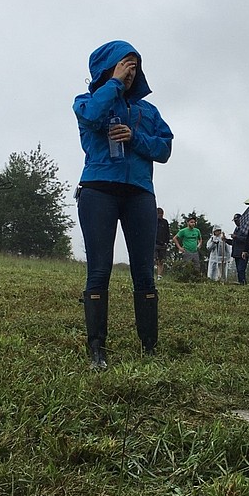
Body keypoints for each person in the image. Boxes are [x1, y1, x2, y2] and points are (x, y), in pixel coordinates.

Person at [73, 40, 173, 370]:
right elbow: (92, 118)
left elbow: (164, 149)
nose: (130, 71)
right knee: (99, 270)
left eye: (134, 65)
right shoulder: (86, 102)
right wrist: (113, 84)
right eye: (123, 64)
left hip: (139, 193)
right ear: (107, 67)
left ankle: (149, 348)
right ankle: (97, 350)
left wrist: (135, 137)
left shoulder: (149, 111)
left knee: (144, 271)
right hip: (98, 190)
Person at [228, 213, 249, 284]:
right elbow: (234, 242)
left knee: (241, 269)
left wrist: (236, 237)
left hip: (244, 252)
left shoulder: (245, 228)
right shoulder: (236, 229)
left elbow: (246, 239)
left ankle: (243, 283)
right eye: (234, 220)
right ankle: (241, 283)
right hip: (236, 253)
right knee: (238, 270)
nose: (236, 222)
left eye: (237, 220)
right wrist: (226, 240)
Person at [155, 207, 170, 280]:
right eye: (159, 214)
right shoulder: (153, 221)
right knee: (154, 259)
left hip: (163, 244)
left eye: (161, 214)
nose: (160, 216)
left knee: (161, 260)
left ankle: (159, 276)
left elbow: (167, 232)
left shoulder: (165, 222)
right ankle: (151, 275)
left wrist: (167, 242)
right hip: (154, 244)